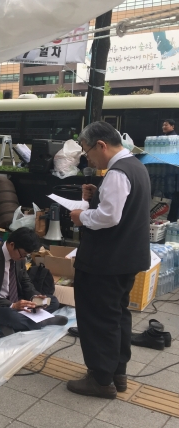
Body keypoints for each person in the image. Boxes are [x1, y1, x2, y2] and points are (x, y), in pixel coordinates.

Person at [66, 121, 151, 400]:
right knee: (117, 315)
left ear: (102, 145)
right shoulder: (136, 167)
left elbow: (109, 217)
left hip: (105, 262)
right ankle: (117, 374)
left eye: (87, 150)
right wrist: (92, 198)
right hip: (127, 258)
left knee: (97, 318)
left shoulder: (117, 172)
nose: (86, 157)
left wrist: (82, 216)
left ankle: (100, 380)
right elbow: (119, 209)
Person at [0, 227, 66, 334]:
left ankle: (21, 320)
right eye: (23, 254)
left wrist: (34, 297)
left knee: (52, 301)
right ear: (12, 244)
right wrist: (12, 305)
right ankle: (41, 321)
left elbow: (25, 282)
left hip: (15, 299)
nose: (24, 258)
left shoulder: (19, 258)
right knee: (11, 315)